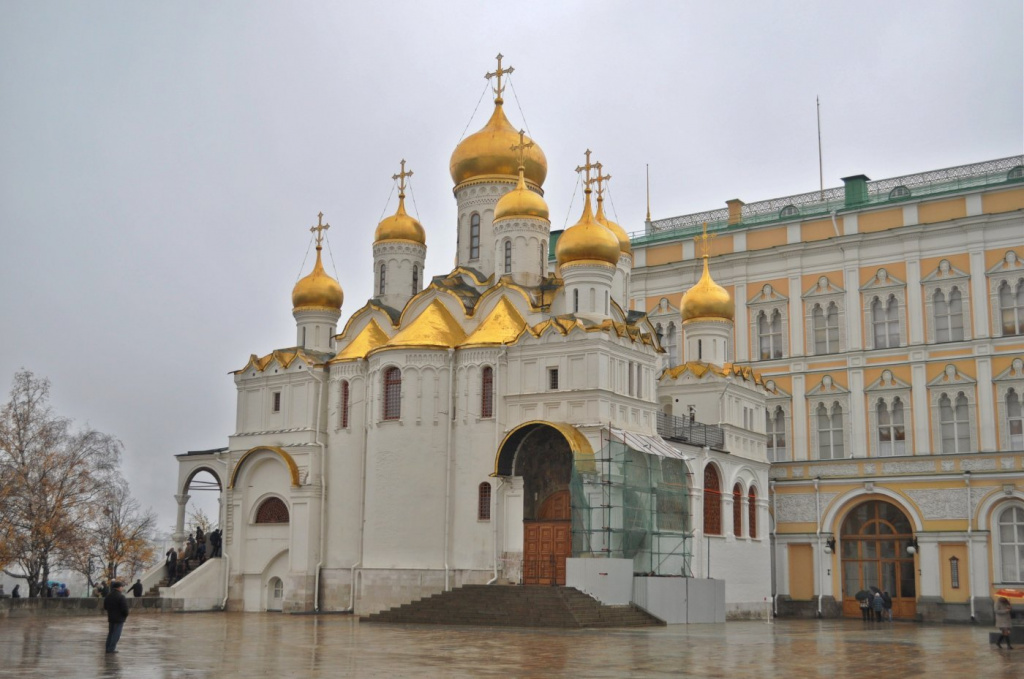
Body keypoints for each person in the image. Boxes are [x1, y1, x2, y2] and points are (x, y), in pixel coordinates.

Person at [103, 581, 129, 654]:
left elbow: (105, 607)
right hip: (119, 618)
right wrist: (125, 615)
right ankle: (111, 649)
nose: (122, 588)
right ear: (119, 587)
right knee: (116, 634)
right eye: (121, 587)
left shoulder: (108, 596)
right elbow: (125, 609)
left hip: (111, 617)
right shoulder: (121, 597)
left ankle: (108, 647)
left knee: (110, 633)